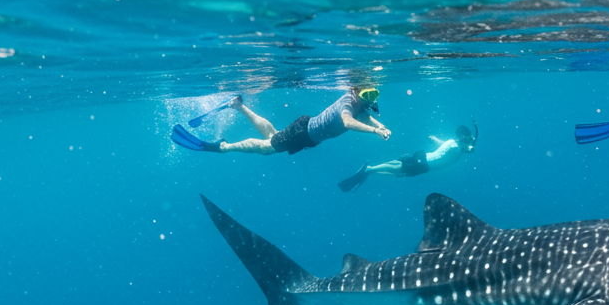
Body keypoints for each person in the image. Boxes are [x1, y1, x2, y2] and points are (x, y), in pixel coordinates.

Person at [171, 88, 389, 154]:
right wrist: (375, 132)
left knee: (272, 136)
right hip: (304, 133)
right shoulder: (348, 104)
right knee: (267, 148)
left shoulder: (359, 105)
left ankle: (237, 105)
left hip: (306, 132)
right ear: (355, 91)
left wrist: (381, 126)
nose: (368, 100)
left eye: (373, 95)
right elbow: (348, 122)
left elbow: (364, 116)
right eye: (365, 95)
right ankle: (223, 147)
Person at [338, 124, 477, 192]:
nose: (462, 139)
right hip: (425, 164)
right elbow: (467, 149)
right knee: (399, 169)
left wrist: (434, 139)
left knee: (399, 167)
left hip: (424, 159)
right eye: (462, 137)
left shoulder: (457, 145)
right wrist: (469, 144)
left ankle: (370, 170)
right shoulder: (458, 145)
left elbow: (462, 148)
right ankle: (370, 169)